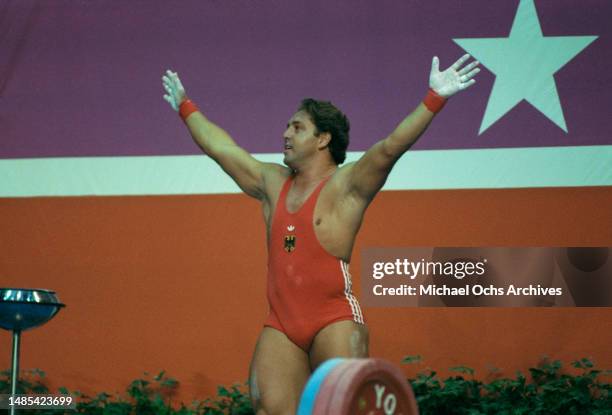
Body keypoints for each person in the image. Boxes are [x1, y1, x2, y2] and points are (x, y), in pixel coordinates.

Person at [162, 53, 479, 415]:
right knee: (268, 408)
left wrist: (434, 98)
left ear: (323, 139)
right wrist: (186, 107)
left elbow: (390, 148)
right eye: (287, 127)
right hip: (281, 323)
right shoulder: (271, 182)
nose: (285, 134)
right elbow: (221, 149)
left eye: (297, 128)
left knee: (344, 407)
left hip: (334, 320)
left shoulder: (347, 185)